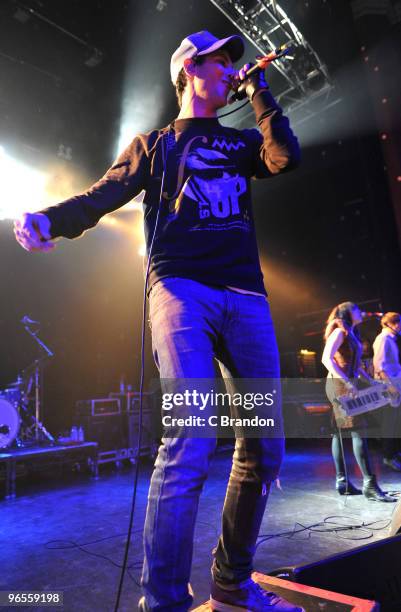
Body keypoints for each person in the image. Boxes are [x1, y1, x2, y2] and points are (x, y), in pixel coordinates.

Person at [14, 30, 304, 612]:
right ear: (187, 72)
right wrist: (50, 219)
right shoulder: (157, 144)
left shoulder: (241, 142)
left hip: (245, 297)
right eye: (217, 62)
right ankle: (165, 601)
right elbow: (107, 192)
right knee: (192, 434)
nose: (228, 70)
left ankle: (231, 585)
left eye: (232, 64)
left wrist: (262, 91)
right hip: (181, 292)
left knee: (263, 447)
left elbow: (283, 157)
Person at [322, 302, 394, 502]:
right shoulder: (339, 332)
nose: (360, 311)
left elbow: (354, 363)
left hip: (348, 384)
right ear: (347, 312)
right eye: (356, 309)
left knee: (339, 432)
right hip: (340, 385)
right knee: (358, 431)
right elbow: (327, 359)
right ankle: (370, 485)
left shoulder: (350, 332)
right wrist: (347, 382)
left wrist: (368, 380)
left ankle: (343, 482)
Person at [373, 312, 401, 471]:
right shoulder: (383, 339)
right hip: (389, 387)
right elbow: (379, 366)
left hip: (395, 385)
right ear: (393, 324)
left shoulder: (390, 339)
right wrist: (391, 387)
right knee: (390, 423)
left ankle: (394, 453)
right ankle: (388, 456)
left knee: (396, 422)